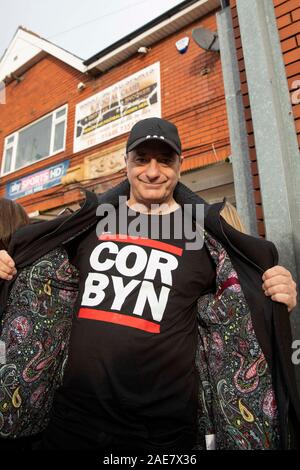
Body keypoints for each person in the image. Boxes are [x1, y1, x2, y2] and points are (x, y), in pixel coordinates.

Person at [0, 117, 299, 451]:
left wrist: (275, 294)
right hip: (72, 422)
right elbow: (35, 280)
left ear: (180, 164)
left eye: (165, 160)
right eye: (142, 159)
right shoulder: (87, 224)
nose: (153, 172)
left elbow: (240, 304)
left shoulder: (206, 236)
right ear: (126, 162)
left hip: (163, 435)